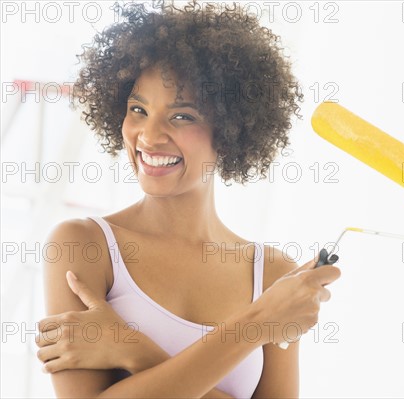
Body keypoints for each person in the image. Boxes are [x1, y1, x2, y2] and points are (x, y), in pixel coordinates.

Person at [35, 2, 341, 398]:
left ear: (231, 132)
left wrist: (134, 349)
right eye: (138, 109)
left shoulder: (273, 276)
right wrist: (258, 321)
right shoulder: (83, 246)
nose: (148, 135)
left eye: (182, 116)